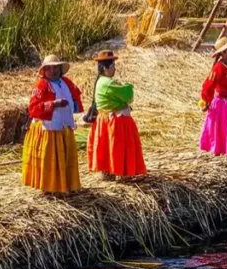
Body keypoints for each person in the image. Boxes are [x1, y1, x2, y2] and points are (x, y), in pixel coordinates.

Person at [21, 55, 83, 194]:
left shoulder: (66, 82)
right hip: (48, 128)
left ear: (60, 69)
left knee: (65, 158)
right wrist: (54, 104)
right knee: (50, 160)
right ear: (44, 71)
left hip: (64, 127)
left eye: (56, 67)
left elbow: (76, 96)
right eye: (49, 68)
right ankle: (48, 188)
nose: (53, 71)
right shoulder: (41, 85)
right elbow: (33, 108)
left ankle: (65, 185)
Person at [87, 50, 147, 179]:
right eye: (113, 66)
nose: (115, 69)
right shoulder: (108, 83)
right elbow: (128, 95)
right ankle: (121, 172)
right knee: (117, 147)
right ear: (105, 68)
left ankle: (108, 173)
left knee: (108, 147)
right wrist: (128, 87)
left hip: (105, 119)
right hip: (114, 121)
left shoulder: (101, 81)